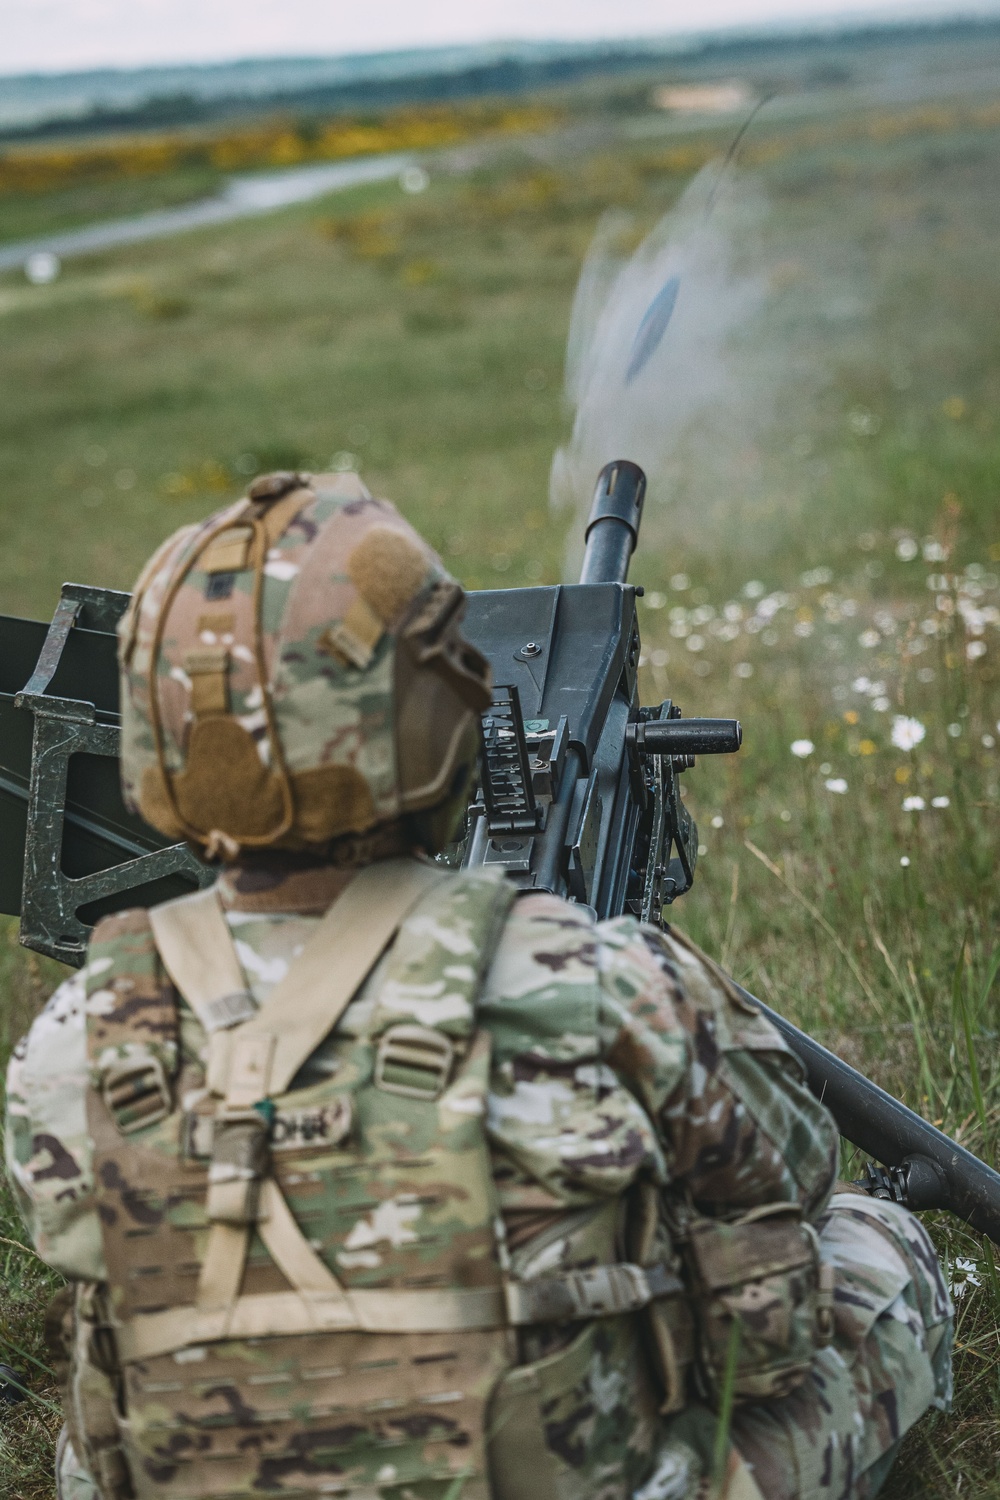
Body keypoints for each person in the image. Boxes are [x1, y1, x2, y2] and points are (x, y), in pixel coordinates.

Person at [5, 470, 952, 1500]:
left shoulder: (76, 1033)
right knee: (876, 1247)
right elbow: (782, 1260)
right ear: (437, 713)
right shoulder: (599, 981)